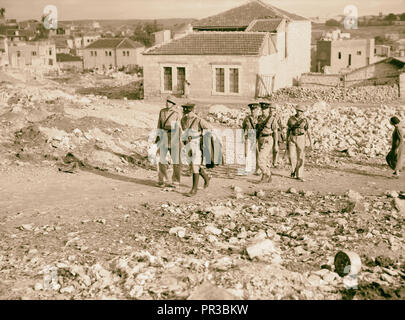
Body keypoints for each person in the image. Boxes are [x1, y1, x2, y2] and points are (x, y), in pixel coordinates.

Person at [180, 102, 211, 196]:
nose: (187, 115)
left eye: (189, 112)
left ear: (193, 111)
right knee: (192, 165)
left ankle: (194, 190)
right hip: (188, 144)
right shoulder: (183, 120)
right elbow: (184, 130)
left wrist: (202, 136)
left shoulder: (199, 120)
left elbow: (210, 128)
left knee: (194, 166)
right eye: (186, 112)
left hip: (197, 144)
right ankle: (206, 177)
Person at [155, 95, 182, 188]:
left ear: (173, 104)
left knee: (176, 161)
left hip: (174, 136)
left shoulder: (177, 113)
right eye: (167, 101)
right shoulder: (162, 112)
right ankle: (162, 180)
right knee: (161, 159)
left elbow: (179, 127)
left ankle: (176, 181)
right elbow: (159, 124)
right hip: (163, 136)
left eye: (170, 102)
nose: (167, 103)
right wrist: (157, 137)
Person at [286, 105, 312, 182]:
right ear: (296, 110)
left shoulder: (305, 120)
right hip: (292, 137)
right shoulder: (291, 119)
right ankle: (293, 170)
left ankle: (299, 174)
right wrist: (287, 139)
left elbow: (308, 131)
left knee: (300, 156)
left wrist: (311, 143)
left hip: (301, 138)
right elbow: (288, 130)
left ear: (303, 112)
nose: (299, 112)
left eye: (301, 111)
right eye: (298, 110)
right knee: (291, 156)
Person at [256, 102, 280, 183]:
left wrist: (276, 144)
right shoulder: (259, 118)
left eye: (265, 109)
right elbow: (257, 130)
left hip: (268, 139)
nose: (263, 111)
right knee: (264, 159)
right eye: (262, 109)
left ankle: (267, 173)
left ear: (268, 110)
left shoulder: (272, 119)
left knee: (260, 159)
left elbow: (276, 132)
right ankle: (266, 177)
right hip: (260, 139)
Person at [259, 101, 285, 168]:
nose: (271, 110)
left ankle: (275, 162)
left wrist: (281, 130)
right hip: (268, 133)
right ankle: (268, 162)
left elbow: (282, 125)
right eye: (270, 108)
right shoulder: (265, 117)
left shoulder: (277, 116)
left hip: (276, 132)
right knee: (267, 149)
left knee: (276, 148)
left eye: (273, 109)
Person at [242, 101, 260, 175]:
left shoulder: (260, 118)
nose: (253, 111)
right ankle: (248, 167)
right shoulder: (247, 119)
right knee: (247, 153)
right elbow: (243, 128)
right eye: (252, 110)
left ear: (257, 110)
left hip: (257, 137)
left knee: (258, 153)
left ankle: (258, 169)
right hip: (249, 137)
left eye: (255, 110)